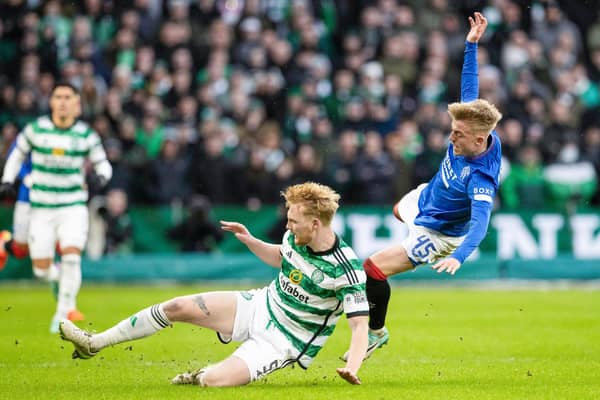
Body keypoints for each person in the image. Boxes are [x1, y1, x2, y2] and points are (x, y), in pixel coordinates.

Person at [59, 182, 369, 387]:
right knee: (177, 306)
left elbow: (359, 327)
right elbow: (281, 257)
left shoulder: (347, 268)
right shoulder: (295, 237)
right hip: (260, 305)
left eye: (293, 221)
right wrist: (251, 240)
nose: (287, 226)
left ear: (315, 224)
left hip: (284, 341)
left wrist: (352, 366)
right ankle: (93, 343)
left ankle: (199, 376)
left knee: (213, 383)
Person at [343, 12, 503, 361]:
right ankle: (410, 233)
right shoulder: (476, 130)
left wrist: (459, 257)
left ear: (478, 141)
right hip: (428, 196)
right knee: (397, 211)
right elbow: (469, 92)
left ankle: (375, 333)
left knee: (371, 268)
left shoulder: (481, 179)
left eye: (457, 135)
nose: (450, 136)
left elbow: (480, 223)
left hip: (440, 232)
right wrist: (471, 46)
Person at [0, 82, 113, 333]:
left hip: (73, 206)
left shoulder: (86, 135)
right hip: (41, 207)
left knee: (72, 255)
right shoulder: (36, 130)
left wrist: (102, 177)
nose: (62, 101)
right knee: (41, 270)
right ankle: (57, 277)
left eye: (67, 97)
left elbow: (103, 163)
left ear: (77, 104)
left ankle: (63, 315)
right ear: (51, 102)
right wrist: (7, 180)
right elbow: (16, 154)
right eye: (58, 97)